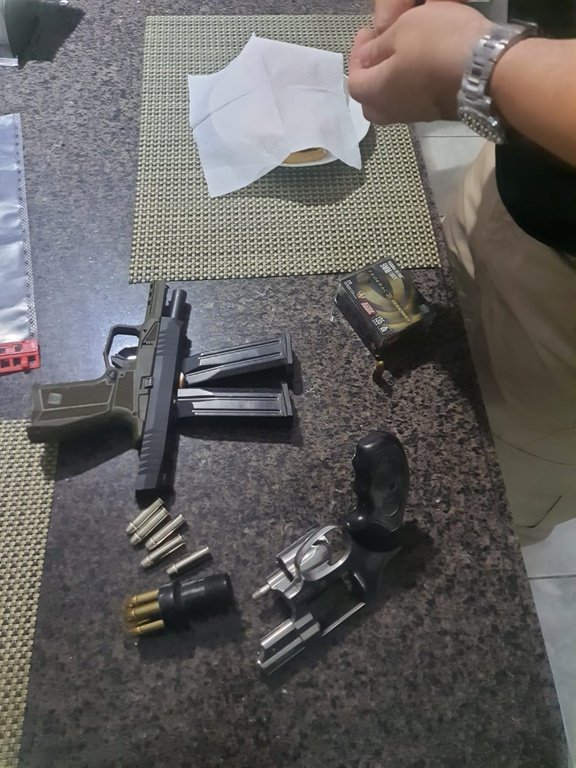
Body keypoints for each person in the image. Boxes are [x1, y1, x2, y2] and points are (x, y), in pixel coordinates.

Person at [348, 0, 576, 544]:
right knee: (435, 352)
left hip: (562, 340)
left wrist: (482, 64)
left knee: (483, 509)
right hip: (516, 174)